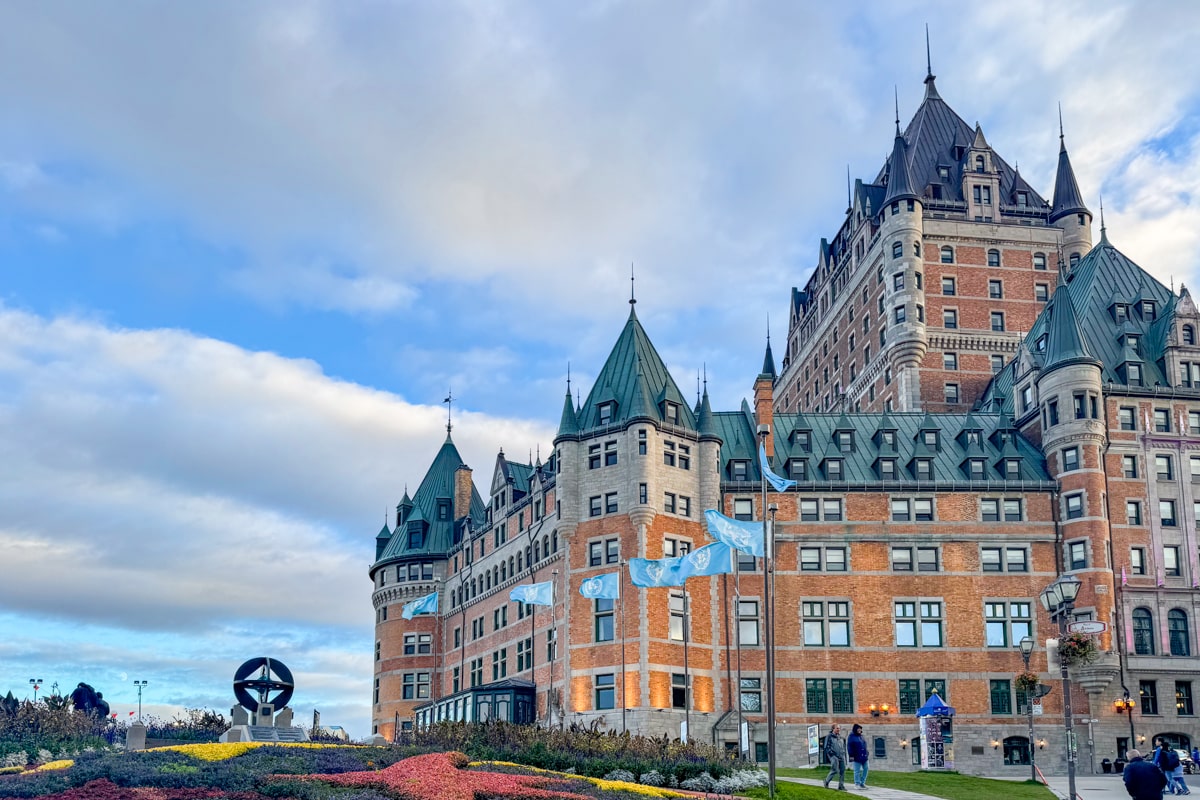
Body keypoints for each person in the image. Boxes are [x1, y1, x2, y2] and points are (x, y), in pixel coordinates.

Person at [824, 724, 847, 791]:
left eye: (839, 728)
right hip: (833, 756)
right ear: (833, 729)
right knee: (835, 770)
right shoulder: (829, 736)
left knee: (842, 771)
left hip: (841, 756)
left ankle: (841, 785)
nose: (838, 729)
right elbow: (826, 747)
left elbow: (842, 746)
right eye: (837, 728)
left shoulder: (840, 737)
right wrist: (832, 755)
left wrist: (843, 754)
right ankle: (826, 781)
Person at [847, 723, 869, 788]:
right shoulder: (851, 737)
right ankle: (857, 783)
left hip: (864, 756)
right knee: (857, 771)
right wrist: (851, 757)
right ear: (855, 729)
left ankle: (862, 782)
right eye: (858, 729)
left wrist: (867, 753)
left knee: (866, 768)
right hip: (856, 756)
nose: (859, 730)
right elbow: (849, 747)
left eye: (860, 729)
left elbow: (864, 745)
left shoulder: (861, 736)